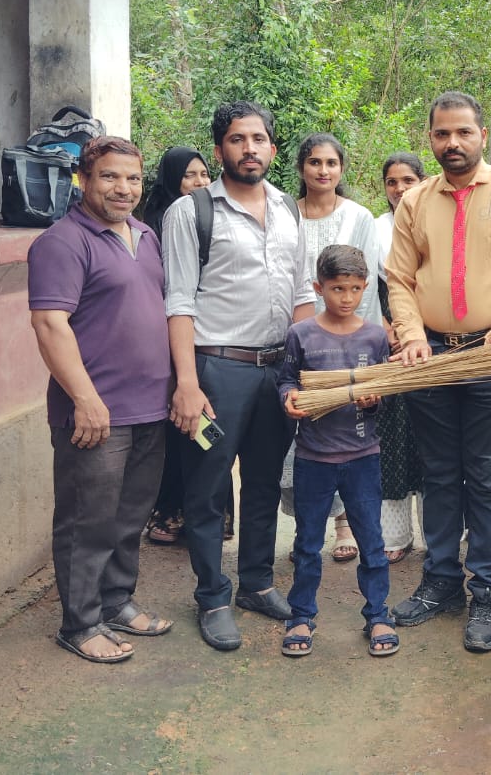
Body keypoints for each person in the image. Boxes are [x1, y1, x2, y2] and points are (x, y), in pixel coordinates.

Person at [386, 90, 491, 652]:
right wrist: (411, 337)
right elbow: (400, 280)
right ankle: (440, 582)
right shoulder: (414, 202)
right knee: (438, 473)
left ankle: (487, 592)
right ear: (430, 138)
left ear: (482, 135)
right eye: (441, 134)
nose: (452, 144)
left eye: (462, 133)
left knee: (486, 477)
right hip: (429, 355)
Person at [162, 101, 315, 651]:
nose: (249, 148)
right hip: (216, 370)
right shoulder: (191, 212)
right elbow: (178, 301)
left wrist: (308, 371)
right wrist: (187, 382)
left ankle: (254, 583)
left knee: (265, 483)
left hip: (277, 371)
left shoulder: (288, 209)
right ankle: (211, 596)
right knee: (205, 491)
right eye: (236, 139)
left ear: (273, 147)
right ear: (220, 147)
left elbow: (302, 295)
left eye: (258, 138)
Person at [27, 135, 173, 663]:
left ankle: (116, 602)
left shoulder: (145, 235)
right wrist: (85, 399)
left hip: (150, 407)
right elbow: (50, 325)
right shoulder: (62, 242)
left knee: (130, 515)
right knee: (86, 519)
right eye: (110, 176)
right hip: (94, 413)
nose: (123, 188)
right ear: (84, 181)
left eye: (133, 178)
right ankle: (80, 621)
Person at [277, 245, 398, 658]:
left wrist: (374, 400)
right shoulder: (302, 334)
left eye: (354, 289)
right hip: (313, 457)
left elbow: (383, 392)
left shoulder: (375, 335)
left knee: (372, 542)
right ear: (318, 288)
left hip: (363, 455)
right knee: (308, 544)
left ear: (365, 288)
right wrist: (289, 397)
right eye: (336, 289)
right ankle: (301, 616)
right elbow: (287, 380)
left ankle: (378, 613)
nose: (346, 298)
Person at [291, 133, 384, 563]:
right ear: (301, 168)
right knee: (306, 433)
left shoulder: (359, 215)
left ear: (341, 169)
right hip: (295, 336)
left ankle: (345, 522)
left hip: (348, 340)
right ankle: (308, 526)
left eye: (331, 163)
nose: (323, 170)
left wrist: (347, 332)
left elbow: (363, 286)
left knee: (348, 423)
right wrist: (306, 329)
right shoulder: (283, 212)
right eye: (314, 162)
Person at [140, 147, 222, 547]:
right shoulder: (150, 225)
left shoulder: (212, 218)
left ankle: (211, 514)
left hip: (204, 341)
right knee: (177, 432)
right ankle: (171, 510)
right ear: (172, 179)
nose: (199, 183)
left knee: (211, 431)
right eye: (189, 175)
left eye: (204, 174)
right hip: (166, 341)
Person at [375, 152, 426, 564]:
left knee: (432, 441)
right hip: (386, 340)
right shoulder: (376, 230)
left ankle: (438, 534)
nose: (400, 189)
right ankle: (395, 535)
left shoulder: (436, 218)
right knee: (391, 438)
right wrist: (385, 326)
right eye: (392, 182)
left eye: (408, 180)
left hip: (434, 342)